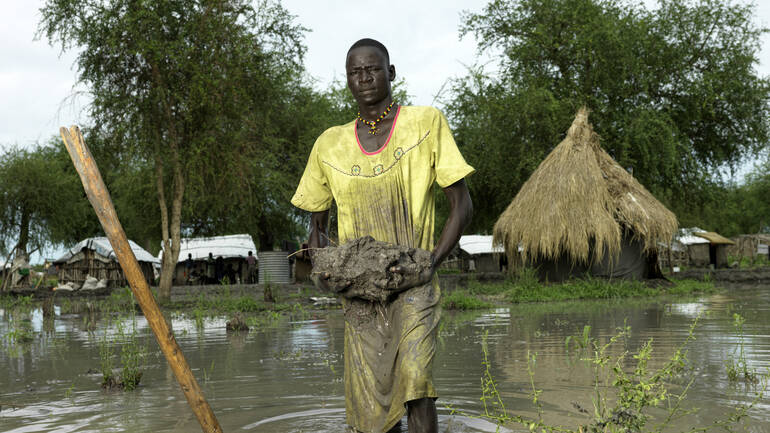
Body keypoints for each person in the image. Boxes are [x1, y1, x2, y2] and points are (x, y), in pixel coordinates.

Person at [291, 38, 474, 433]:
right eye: (355, 72)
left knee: (416, 380)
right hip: (359, 294)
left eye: (372, 69)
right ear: (347, 80)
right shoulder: (329, 144)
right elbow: (318, 226)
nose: (364, 78)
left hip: (412, 281)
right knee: (372, 409)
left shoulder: (426, 124)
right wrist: (323, 268)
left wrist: (429, 264)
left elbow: (462, 205)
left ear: (390, 73)